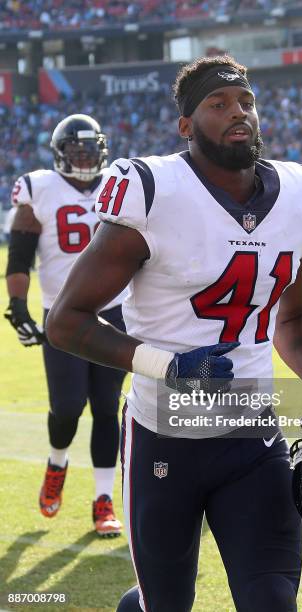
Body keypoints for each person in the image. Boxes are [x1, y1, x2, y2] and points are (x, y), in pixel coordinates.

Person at [46, 57, 302, 611]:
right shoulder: (152, 189)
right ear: (186, 125)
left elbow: (290, 317)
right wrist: (171, 367)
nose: (238, 113)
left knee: (271, 601)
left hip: (253, 437)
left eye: (245, 102)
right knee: (164, 605)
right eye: (218, 105)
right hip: (165, 439)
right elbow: (66, 321)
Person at [4, 114, 126, 537]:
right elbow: (20, 255)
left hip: (114, 312)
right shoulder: (38, 187)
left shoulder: (120, 181)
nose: (85, 157)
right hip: (62, 313)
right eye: (76, 151)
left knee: (108, 408)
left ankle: (103, 499)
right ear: (60, 154)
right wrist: (17, 304)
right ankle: (57, 461)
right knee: (69, 407)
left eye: (90, 150)